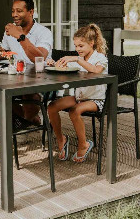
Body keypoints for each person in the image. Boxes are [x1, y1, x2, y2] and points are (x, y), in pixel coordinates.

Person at [46, 24, 108, 163]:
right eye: (76, 46)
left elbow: (95, 71)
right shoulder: (81, 58)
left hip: (96, 99)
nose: (77, 49)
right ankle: (61, 139)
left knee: (74, 110)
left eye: (81, 46)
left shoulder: (100, 58)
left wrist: (77, 59)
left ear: (91, 43)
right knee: (52, 107)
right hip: (79, 97)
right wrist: (55, 64)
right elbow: (67, 70)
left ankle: (83, 144)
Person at [0, 0, 53, 124]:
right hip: (17, 78)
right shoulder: (10, 31)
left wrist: (20, 36)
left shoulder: (44, 32)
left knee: (29, 94)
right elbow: (2, 49)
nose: (14, 14)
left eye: (19, 11)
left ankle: (24, 123)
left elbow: (39, 58)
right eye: (13, 11)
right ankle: (27, 121)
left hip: (41, 80)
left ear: (31, 12)